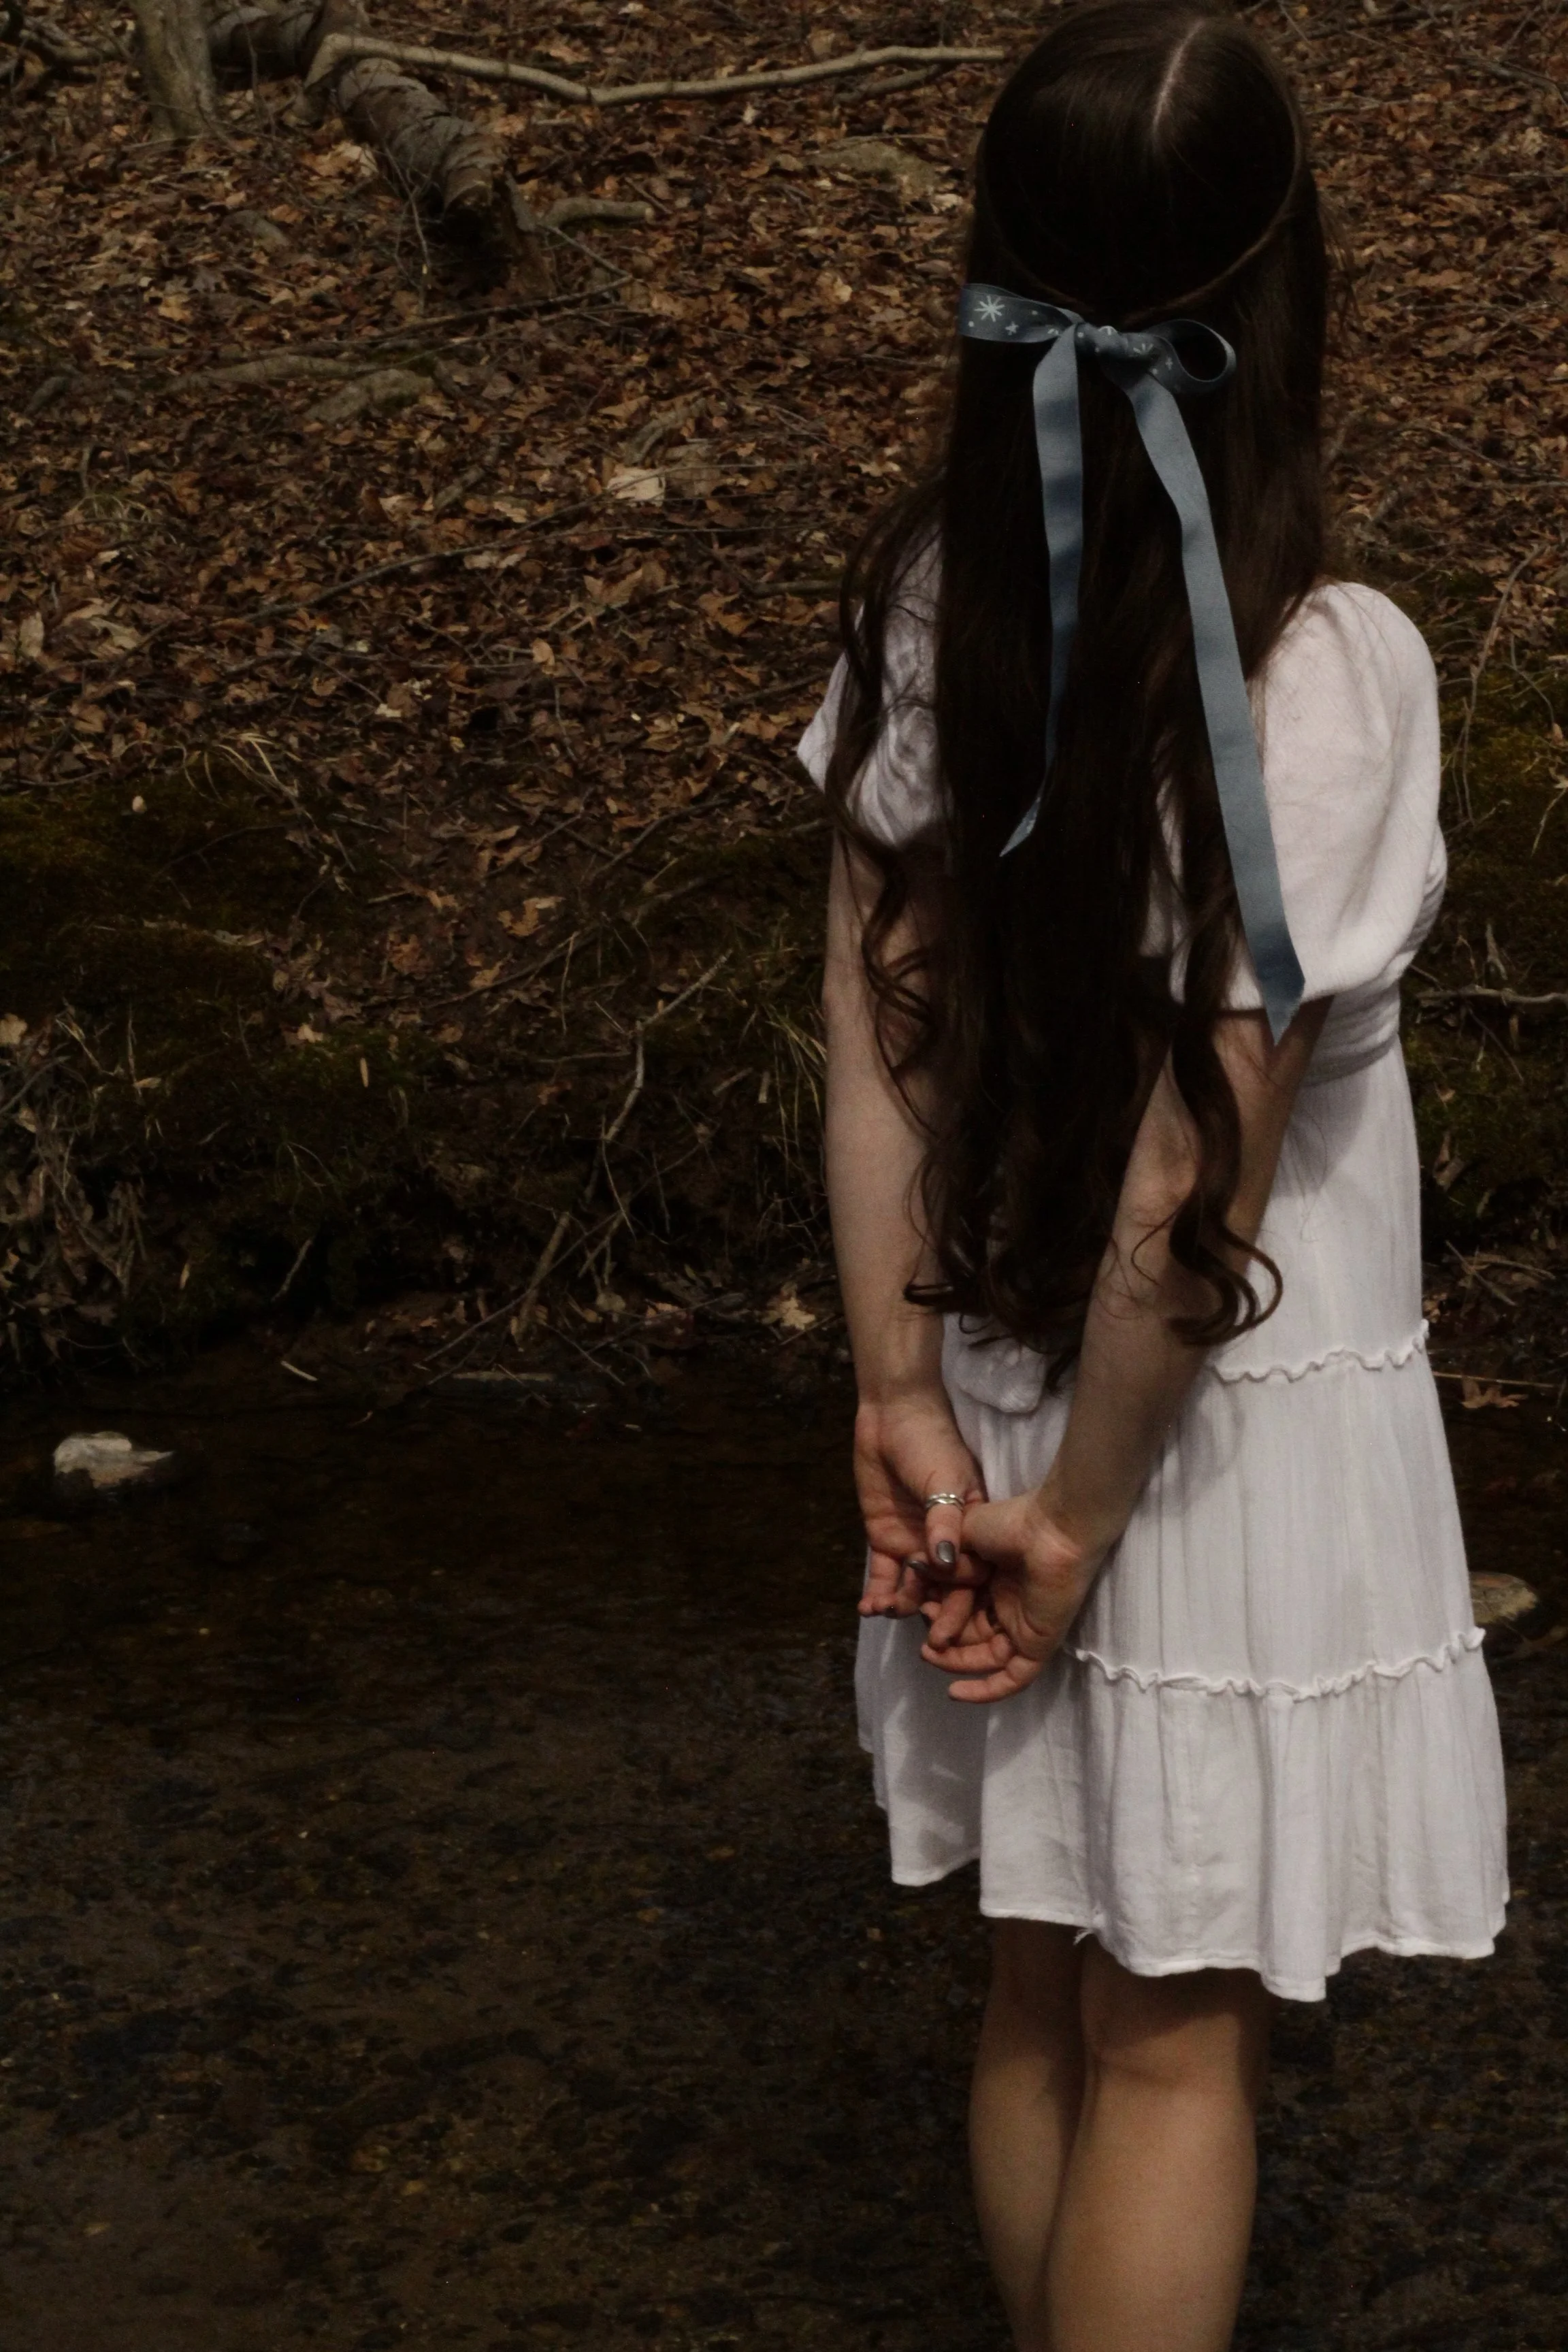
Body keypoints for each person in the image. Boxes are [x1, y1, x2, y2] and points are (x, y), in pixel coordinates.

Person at [801, 5, 1509, 2347]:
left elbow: (883, 1032)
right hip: (1190, 1441)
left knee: (1035, 1988)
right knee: (1173, 2033)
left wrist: (899, 1388)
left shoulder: (936, 591)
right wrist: (1082, 1518)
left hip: (998, 1374)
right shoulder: (1327, 674)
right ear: (1291, 293)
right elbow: (1193, 1200)